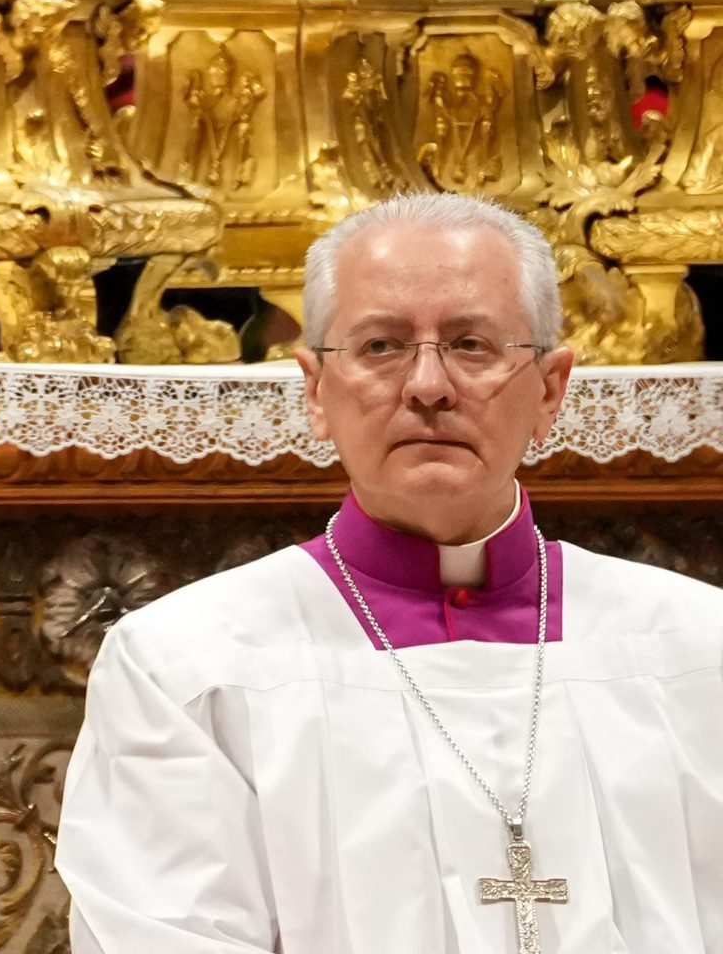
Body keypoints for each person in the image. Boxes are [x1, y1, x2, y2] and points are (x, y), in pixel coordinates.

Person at [56, 192, 723, 951]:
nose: (429, 385)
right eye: (380, 346)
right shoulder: (184, 667)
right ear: (314, 389)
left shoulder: (701, 650)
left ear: (549, 388)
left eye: (473, 344)